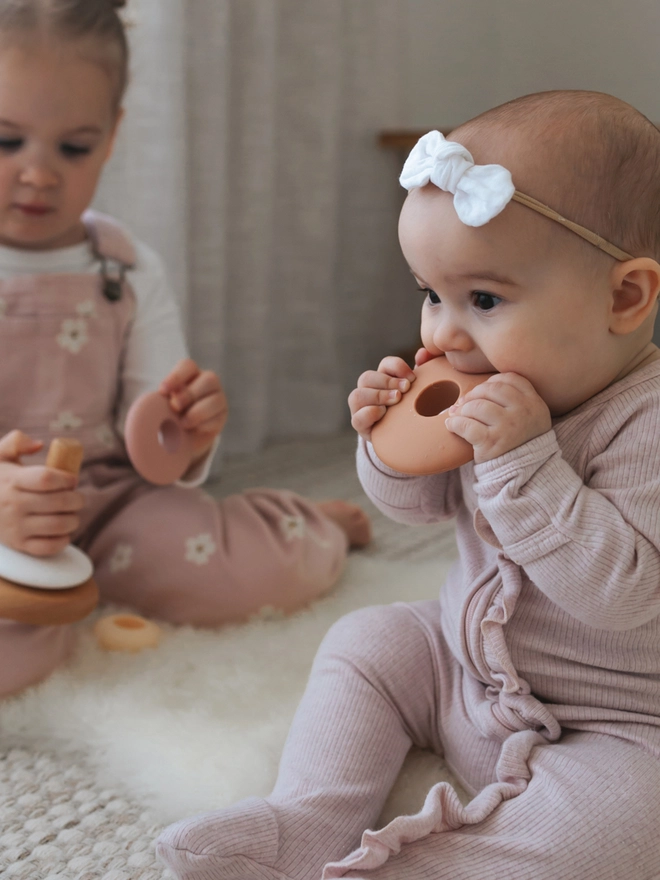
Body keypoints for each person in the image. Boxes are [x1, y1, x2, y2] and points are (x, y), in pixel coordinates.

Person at [156, 89, 660, 880]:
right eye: (431, 295)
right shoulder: (483, 381)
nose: (443, 333)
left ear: (623, 297)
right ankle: (310, 817)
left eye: (483, 300)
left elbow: (623, 594)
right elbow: (416, 509)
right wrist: (389, 449)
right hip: (464, 671)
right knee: (369, 642)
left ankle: (442, 866)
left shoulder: (646, 423)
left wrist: (524, 463)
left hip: (619, 723)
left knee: (625, 825)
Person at [0, 0, 371, 699]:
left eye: (73, 148)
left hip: (111, 504)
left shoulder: (125, 267)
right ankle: (60, 603)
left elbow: (155, 444)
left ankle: (311, 524)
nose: (39, 174)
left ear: (111, 139)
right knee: (15, 660)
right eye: (6, 141)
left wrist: (189, 427)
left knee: (255, 571)